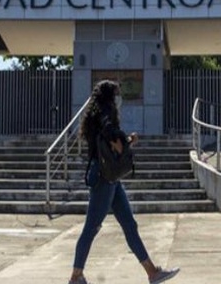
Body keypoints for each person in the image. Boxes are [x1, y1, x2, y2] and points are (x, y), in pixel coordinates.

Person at [68, 79, 180, 284]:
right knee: (91, 228)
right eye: (117, 93)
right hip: (104, 179)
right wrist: (123, 142)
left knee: (129, 224)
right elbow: (111, 137)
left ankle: (152, 272)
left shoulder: (94, 116)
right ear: (110, 97)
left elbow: (107, 142)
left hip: (110, 178)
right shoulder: (105, 115)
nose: (119, 98)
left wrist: (126, 141)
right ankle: (76, 276)